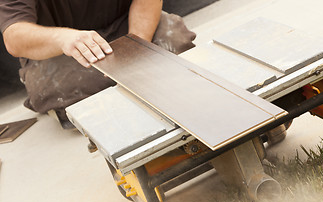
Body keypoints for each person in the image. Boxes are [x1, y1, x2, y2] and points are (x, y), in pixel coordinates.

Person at [0, 0, 196, 128]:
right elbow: (14, 36)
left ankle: (133, 77)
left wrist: (136, 46)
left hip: (123, 25)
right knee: (67, 87)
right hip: (60, 48)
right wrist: (63, 38)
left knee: (175, 38)